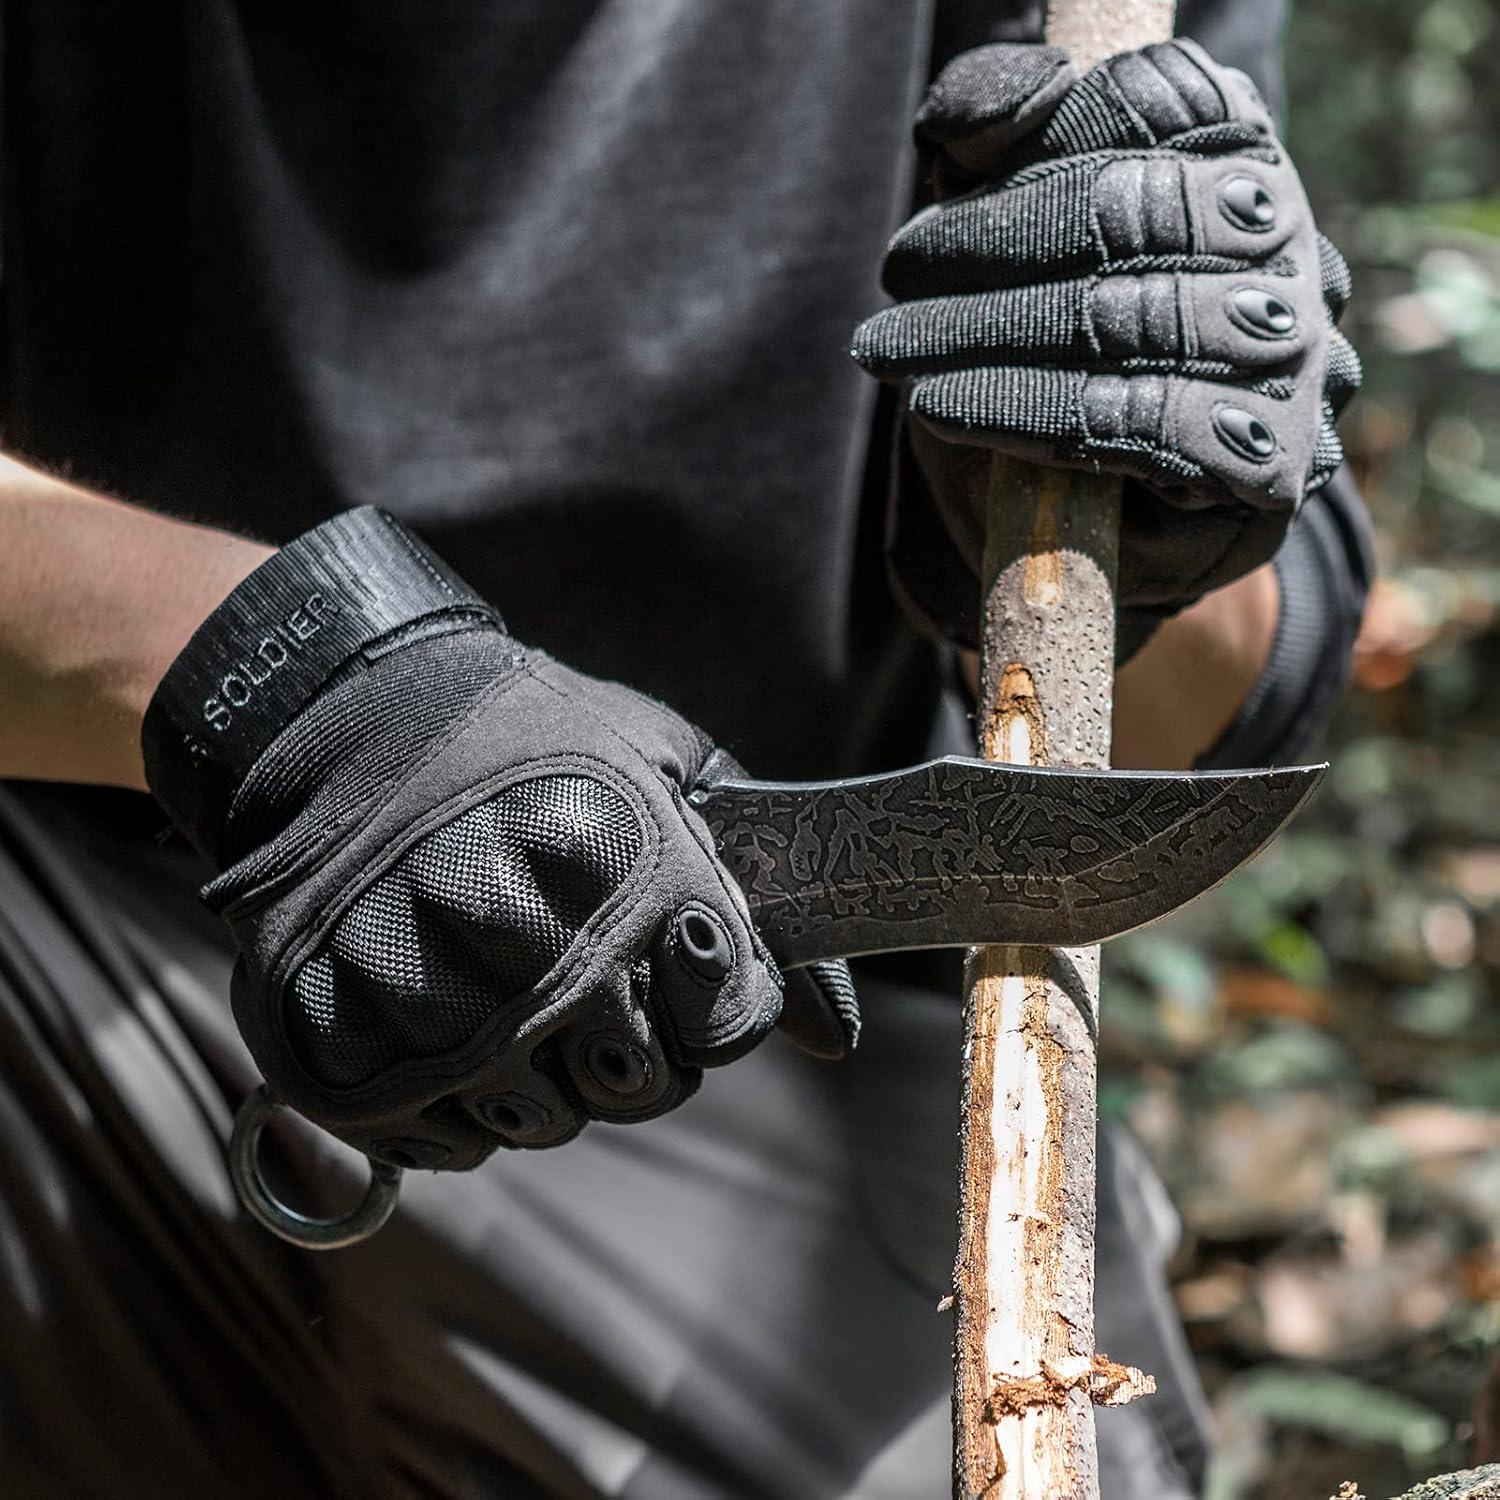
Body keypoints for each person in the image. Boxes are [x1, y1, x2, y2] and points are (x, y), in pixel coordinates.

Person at [0, 3, 1369, 1496]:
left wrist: (1152, 523)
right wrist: (274, 684)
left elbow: (1204, 703)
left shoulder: (1090, 20)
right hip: (64, 923)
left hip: (742, 1041)